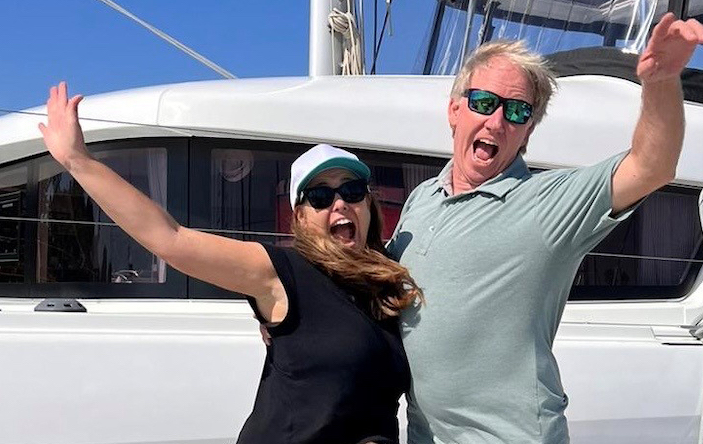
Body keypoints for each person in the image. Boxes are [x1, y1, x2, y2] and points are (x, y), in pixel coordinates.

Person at [387, 13, 703, 443]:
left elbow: (651, 167)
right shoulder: (421, 199)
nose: (497, 122)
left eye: (517, 111)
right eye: (484, 102)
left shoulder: (547, 204)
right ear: (455, 110)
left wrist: (662, 82)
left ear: (527, 133)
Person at [38, 84, 422, 444]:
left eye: (351, 190)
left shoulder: (388, 278)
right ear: (300, 217)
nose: (339, 204)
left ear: (368, 204)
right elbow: (170, 238)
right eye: (320, 196)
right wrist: (78, 160)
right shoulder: (282, 274)